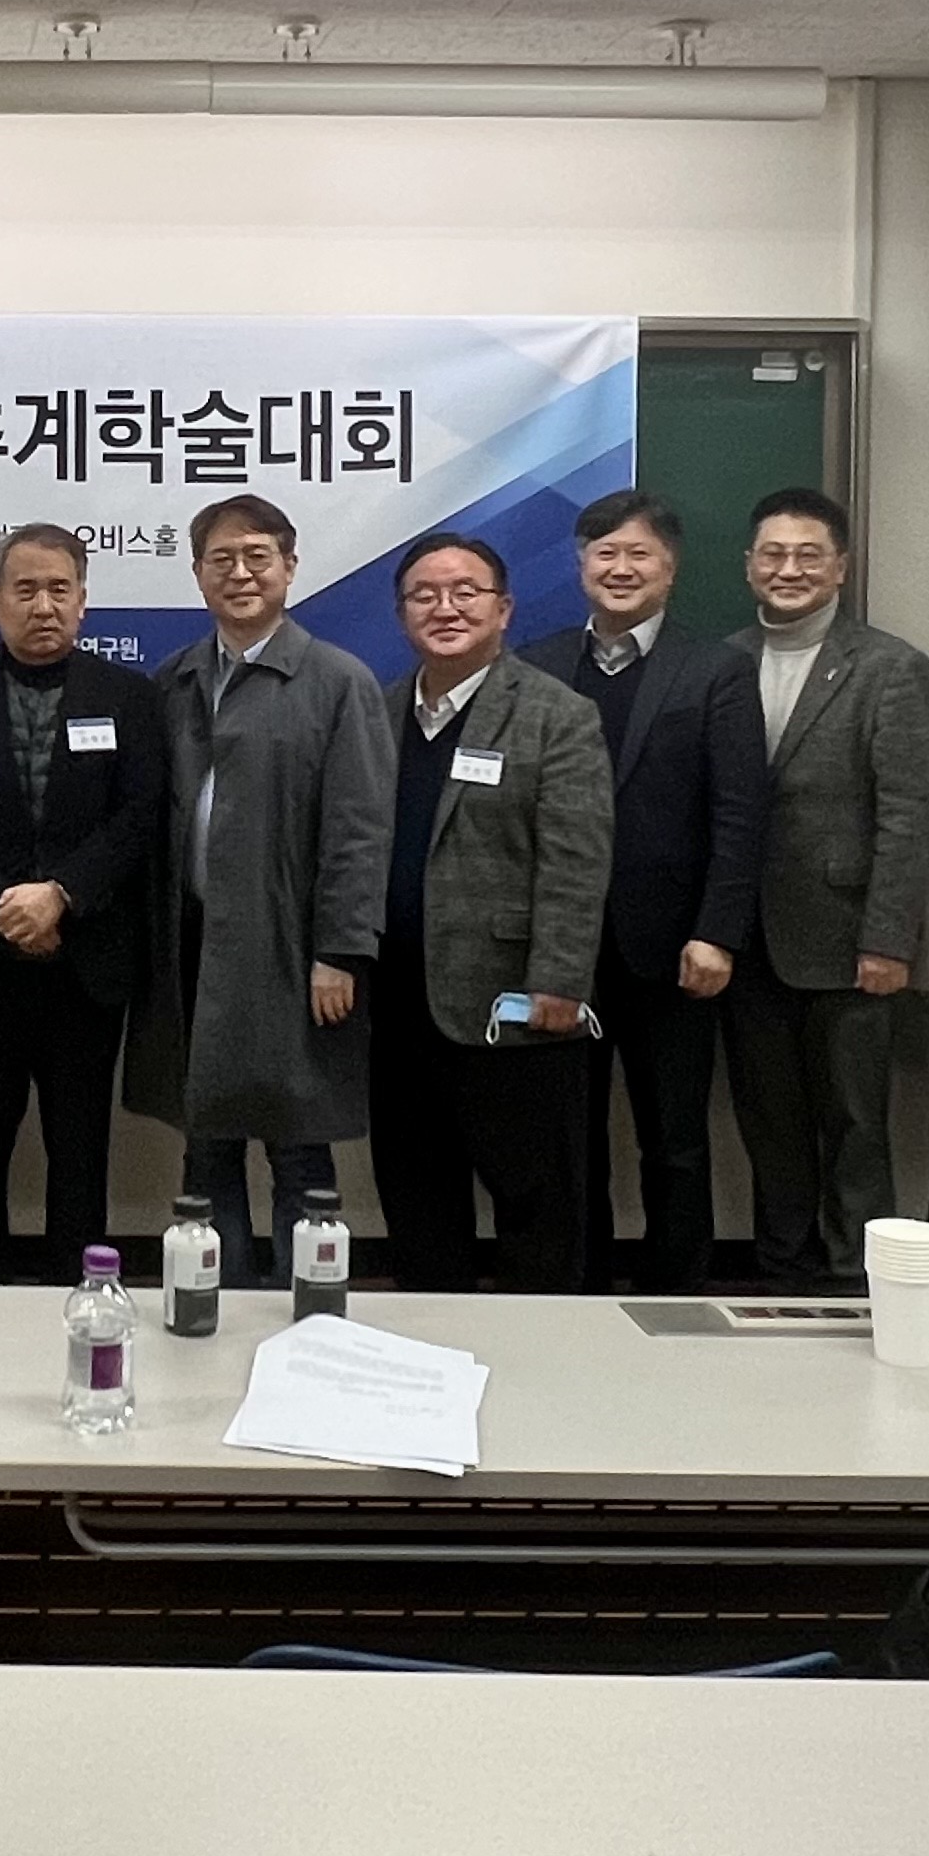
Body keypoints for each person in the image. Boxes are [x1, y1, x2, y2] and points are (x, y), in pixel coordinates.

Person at [126, 495, 396, 1282]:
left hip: (293, 952)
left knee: (299, 1149)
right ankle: (216, 1307)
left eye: (257, 556)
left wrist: (340, 951)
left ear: (289, 566)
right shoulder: (174, 680)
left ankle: (305, 1316)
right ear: (197, 573)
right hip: (196, 948)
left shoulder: (337, 681)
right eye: (221, 559)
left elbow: (359, 830)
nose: (240, 573)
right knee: (206, 1151)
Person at [0, 525, 165, 1299]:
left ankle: (80, 1303)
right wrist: (6, 905)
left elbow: (138, 815)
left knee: (80, 1149)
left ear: (84, 601)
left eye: (59, 589)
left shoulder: (129, 696)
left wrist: (61, 895)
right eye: (25, 590)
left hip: (84, 960)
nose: (43, 605)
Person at [521, 489, 766, 1292]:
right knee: (568, 1139)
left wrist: (718, 932)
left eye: (639, 554)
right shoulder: (538, 665)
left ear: (671, 568)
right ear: (581, 565)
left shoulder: (716, 670)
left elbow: (740, 812)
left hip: (674, 948)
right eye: (605, 553)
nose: (620, 568)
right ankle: (577, 1289)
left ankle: (678, 1293)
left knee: (675, 1140)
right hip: (563, 950)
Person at [372, 533, 613, 1293]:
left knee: (536, 1208)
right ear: (402, 614)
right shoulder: (378, 711)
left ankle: (540, 1354)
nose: (445, 608)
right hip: (398, 1005)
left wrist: (560, 981)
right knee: (417, 1202)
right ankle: (428, 1340)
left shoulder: (556, 715)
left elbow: (577, 861)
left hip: (514, 1006)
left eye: (465, 592)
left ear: (503, 609)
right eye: (424, 595)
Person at [723, 488, 929, 1288]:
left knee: (856, 1126)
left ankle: (859, 1282)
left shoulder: (890, 667)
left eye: (808, 555)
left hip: (850, 940)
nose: (789, 569)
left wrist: (889, 939)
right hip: (747, 940)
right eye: (773, 554)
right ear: (748, 566)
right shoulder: (724, 660)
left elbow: (911, 816)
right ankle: (784, 1273)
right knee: (768, 1125)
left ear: (841, 568)